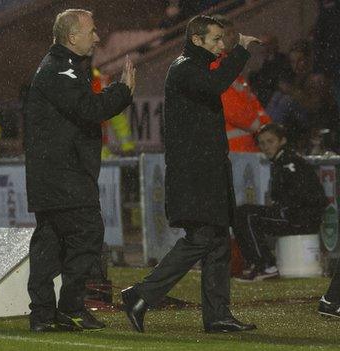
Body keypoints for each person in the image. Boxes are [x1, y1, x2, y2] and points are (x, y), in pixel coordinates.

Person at [121, 15, 259, 333]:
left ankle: (217, 316)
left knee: (217, 242)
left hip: (207, 170)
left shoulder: (192, 68)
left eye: (223, 40)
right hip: (196, 174)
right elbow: (215, 85)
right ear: (196, 40)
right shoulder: (184, 69)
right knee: (202, 239)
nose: (221, 45)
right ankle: (141, 294)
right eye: (215, 39)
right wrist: (240, 50)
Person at [24, 9, 135, 332]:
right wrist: (122, 91)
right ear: (73, 37)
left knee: (50, 243)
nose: (97, 37)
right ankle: (69, 308)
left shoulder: (63, 68)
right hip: (64, 176)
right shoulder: (60, 70)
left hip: (53, 175)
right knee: (87, 235)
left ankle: (43, 314)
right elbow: (89, 110)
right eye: (92, 31)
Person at [233, 123, 327, 281]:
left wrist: (286, 209)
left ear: (282, 141)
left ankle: (265, 265)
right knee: (244, 213)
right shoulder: (283, 161)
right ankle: (261, 264)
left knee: (245, 214)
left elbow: (306, 195)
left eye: (270, 141)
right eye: (262, 143)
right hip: (300, 215)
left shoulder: (288, 162)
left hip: (300, 217)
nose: (266, 147)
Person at [211, 16, 271, 153]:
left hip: (243, 149)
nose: (234, 38)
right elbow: (231, 109)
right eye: (228, 34)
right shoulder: (213, 67)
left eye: (234, 33)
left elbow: (252, 102)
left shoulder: (229, 67)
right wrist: (262, 128)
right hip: (232, 151)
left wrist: (267, 126)